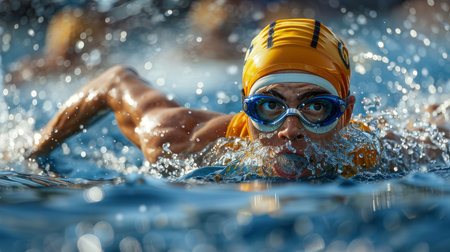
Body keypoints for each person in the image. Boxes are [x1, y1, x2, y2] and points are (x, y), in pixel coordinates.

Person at [29, 18, 380, 179]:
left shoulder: (377, 154)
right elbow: (114, 81)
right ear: (245, 106)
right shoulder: (181, 141)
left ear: (346, 113)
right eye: (270, 106)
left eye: (316, 107)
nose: (290, 130)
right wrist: (34, 151)